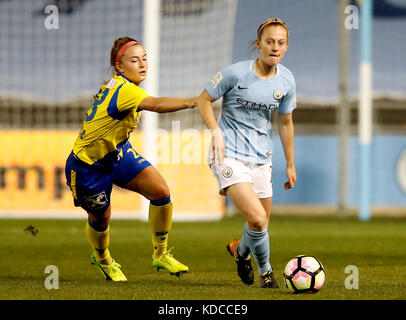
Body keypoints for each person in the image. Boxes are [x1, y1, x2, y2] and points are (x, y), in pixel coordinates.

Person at [65, 36, 196, 281]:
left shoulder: (120, 87)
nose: (142, 64)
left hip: (118, 154)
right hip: (87, 168)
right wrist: (191, 102)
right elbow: (156, 105)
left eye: (144, 58)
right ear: (120, 67)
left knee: (160, 192)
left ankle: (161, 254)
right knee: (101, 220)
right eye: (134, 60)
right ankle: (103, 258)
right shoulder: (125, 90)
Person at [196, 18, 297, 288]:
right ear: (258, 44)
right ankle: (266, 273)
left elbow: (285, 122)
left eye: (281, 43)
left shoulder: (286, 81)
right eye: (269, 42)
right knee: (257, 218)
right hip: (228, 154)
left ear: (287, 47)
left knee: (260, 225)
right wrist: (216, 131)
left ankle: (240, 252)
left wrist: (290, 164)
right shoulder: (235, 73)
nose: (275, 48)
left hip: (262, 158)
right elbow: (203, 101)